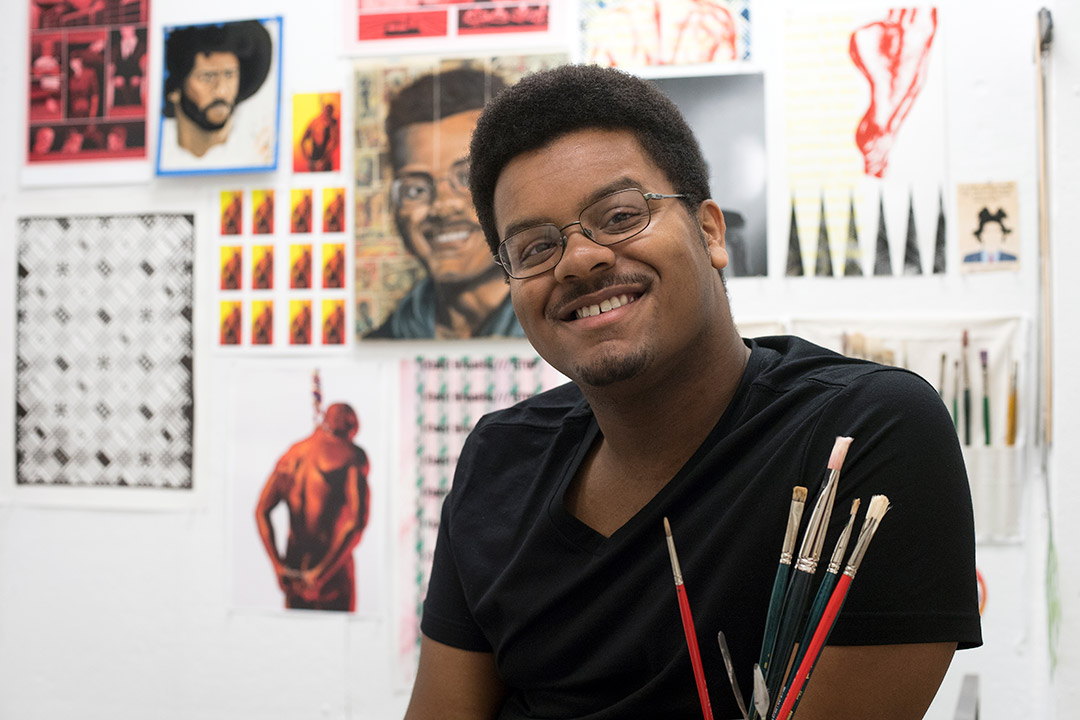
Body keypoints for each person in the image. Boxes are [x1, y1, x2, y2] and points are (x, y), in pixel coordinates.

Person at [405, 65, 981, 719]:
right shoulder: (499, 458)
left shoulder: (862, 434)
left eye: (619, 216)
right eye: (535, 247)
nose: (580, 259)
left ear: (710, 231)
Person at [364, 66, 524, 340]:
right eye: (416, 189)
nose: (442, 207)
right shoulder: (388, 338)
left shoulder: (561, 335)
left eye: (466, 178)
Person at [256, 403, 370, 611]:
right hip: (332, 580)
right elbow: (356, 523)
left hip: (293, 575)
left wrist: (278, 565)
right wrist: (320, 574)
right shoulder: (352, 456)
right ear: (350, 426)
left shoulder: (292, 454)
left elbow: (262, 510)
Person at [159, 20, 273, 167]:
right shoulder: (164, 154)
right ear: (175, 89)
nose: (221, 90)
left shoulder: (257, 153)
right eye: (207, 77)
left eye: (230, 75)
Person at [299, 101, 340, 171]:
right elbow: (302, 140)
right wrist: (308, 158)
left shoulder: (333, 125)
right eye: (326, 112)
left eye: (330, 112)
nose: (328, 115)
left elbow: (335, 143)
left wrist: (325, 160)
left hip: (326, 163)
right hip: (314, 159)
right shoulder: (315, 123)